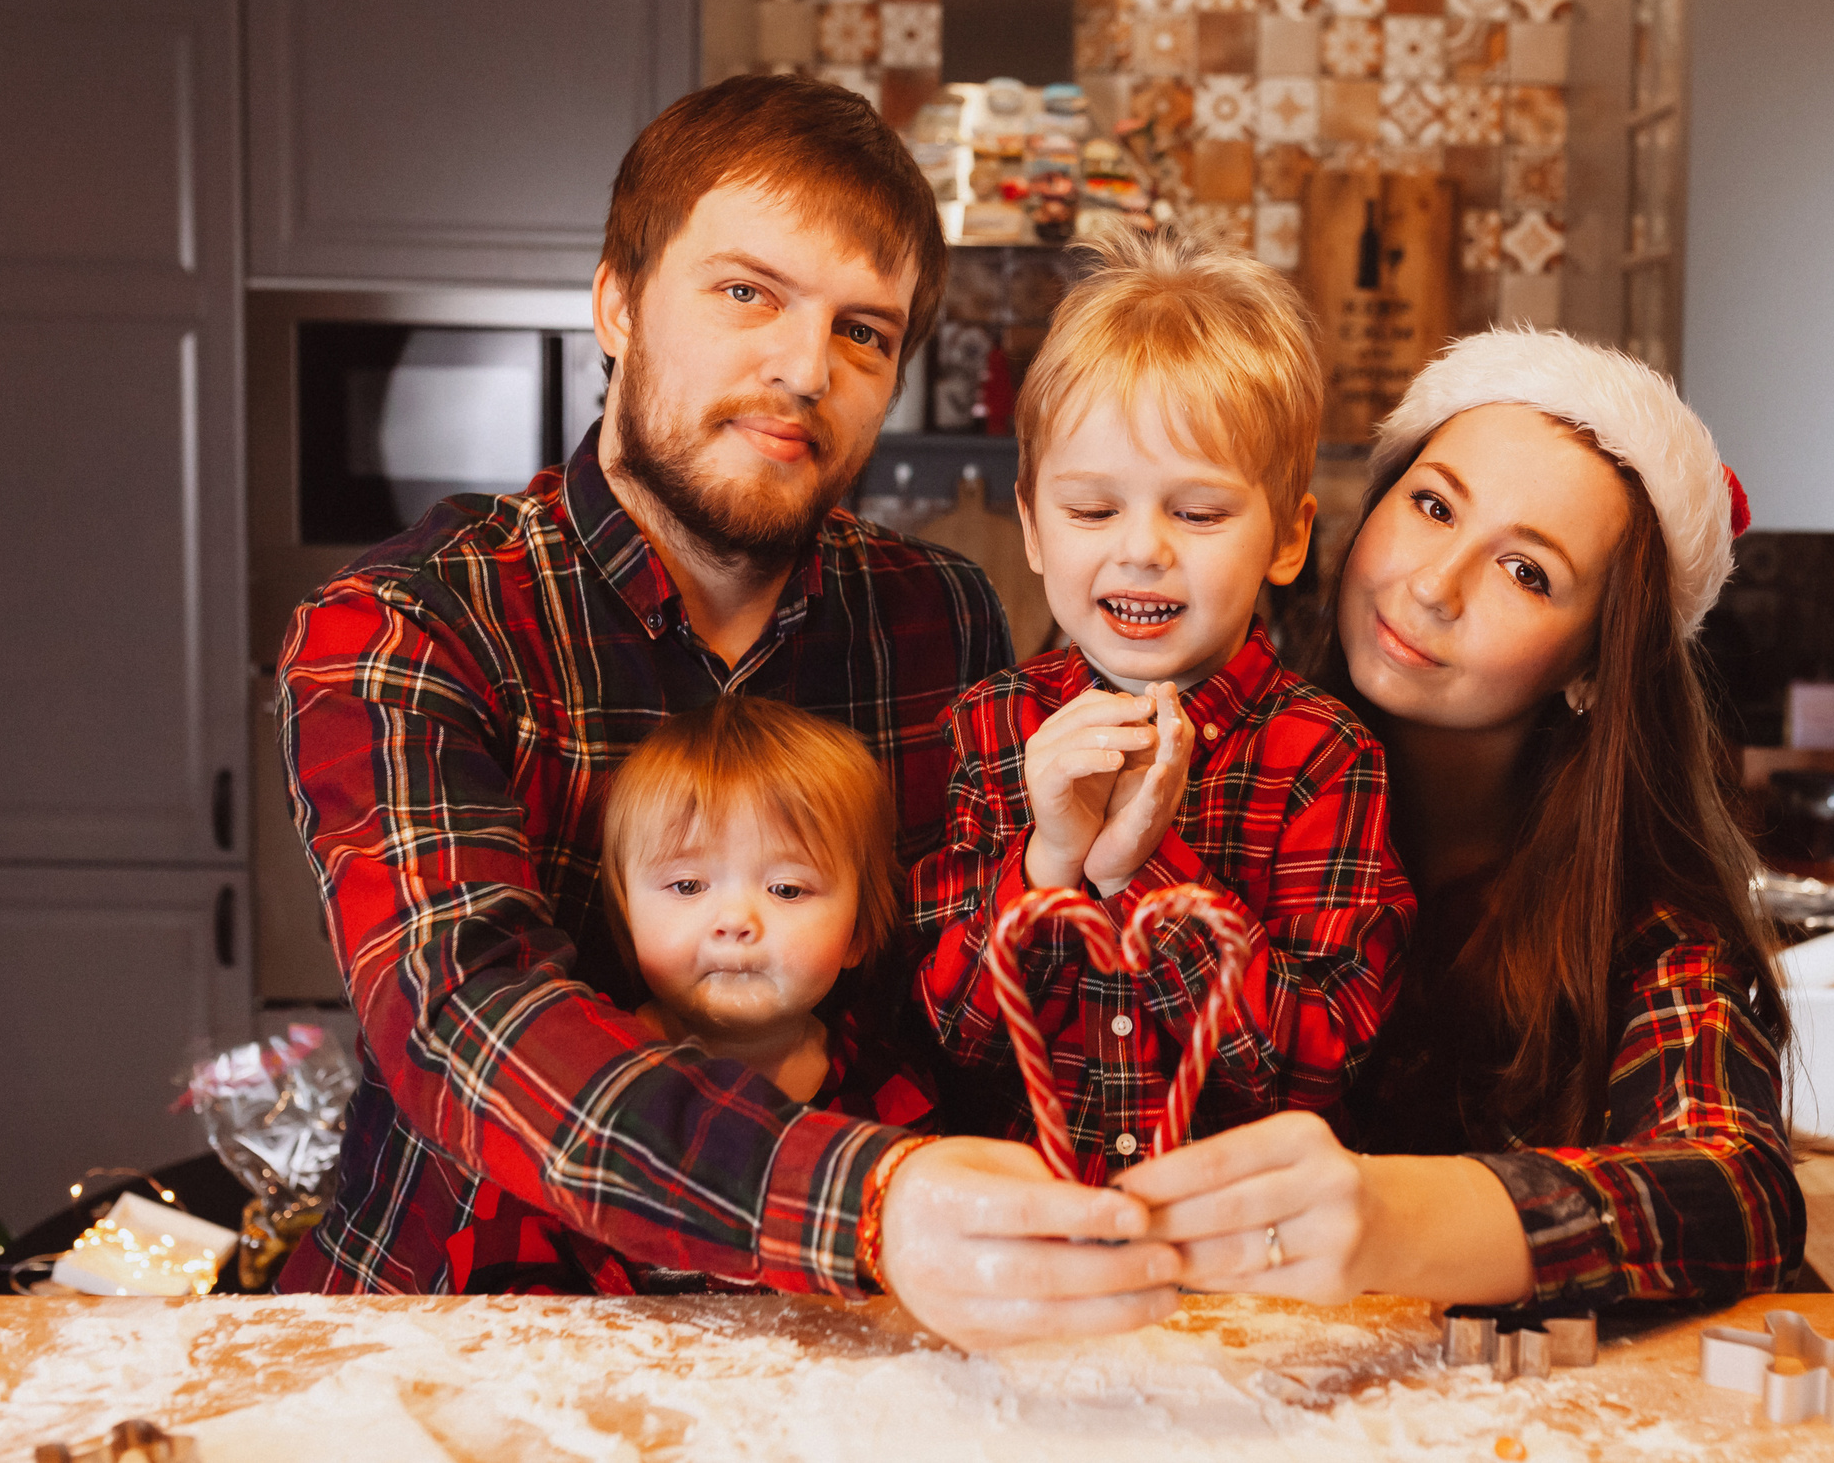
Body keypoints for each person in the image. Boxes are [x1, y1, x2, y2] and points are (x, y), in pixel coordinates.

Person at [276, 74, 1190, 1346]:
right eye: (748, 293)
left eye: (863, 332)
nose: (805, 369)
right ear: (617, 302)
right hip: (447, 1341)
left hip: (831, 1341)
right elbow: (464, 1021)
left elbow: (954, 1013)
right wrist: (870, 1200)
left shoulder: (938, 619)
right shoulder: (408, 625)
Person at [1117, 327, 1804, 1308]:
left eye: (1526, 571)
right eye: (1433, 506)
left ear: (1593, 665)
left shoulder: (1638, 926)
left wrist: (1393, 1216)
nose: (1434, 587)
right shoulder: (1182, 797)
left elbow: (1738, 1193)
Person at [909, 227, 1414, 1184]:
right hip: (1032, 1234)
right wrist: (1051, 859)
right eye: (1093, 510)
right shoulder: (991, 726)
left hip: (1243, 1244)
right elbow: (957, 1034)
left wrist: (1141, 868)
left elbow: (1316, 1065)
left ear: (1288, 538)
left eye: (1198, 512)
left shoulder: (1324, 755)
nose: (1142, 549)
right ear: (1032, 525)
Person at [441, 696, 940, 1292]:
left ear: (857, 933)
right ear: (628, 916)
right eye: (686, 885)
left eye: (786, 889)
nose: (734, 921)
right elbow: (507, 1281)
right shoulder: (570, 1077)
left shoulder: (893, 1098)